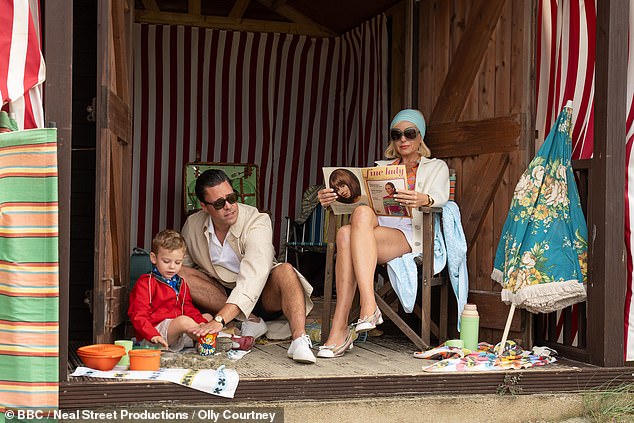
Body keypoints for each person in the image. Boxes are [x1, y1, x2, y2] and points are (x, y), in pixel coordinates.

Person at [316, 109, 449, 358]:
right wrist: (330, 199)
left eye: (410, 133)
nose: (403, 140)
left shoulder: (435, 167)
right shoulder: (381, 168)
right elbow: (359, 204)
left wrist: (423, 198)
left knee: (348, 233)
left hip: (410, 235)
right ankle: (360, 311)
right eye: (397, 134)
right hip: (374, 231)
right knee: (351, 226)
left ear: (421, 137)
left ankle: (346, 323)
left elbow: (442, 200)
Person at [179, 169, 316, 364]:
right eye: (219, 203)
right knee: (179, 272)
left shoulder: (257, 220)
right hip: (219, 293)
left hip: (262, 292)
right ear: (204, 206)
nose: (229, 206)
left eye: (232, 198)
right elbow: (182, 269)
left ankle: (299, 340)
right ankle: (251, 320)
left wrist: (219, 321)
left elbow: (253, 277)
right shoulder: (193, 224)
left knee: (286, 270)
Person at [128, 229, 213, 352]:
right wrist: (152, 335)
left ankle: (202, 336)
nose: (172, 267)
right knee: (184, 321)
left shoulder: (181, 283)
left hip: (176, 332)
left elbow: (188, 308)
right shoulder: (146, 283)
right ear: (153, 258)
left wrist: (201, 322)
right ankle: (205, 340)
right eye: (166, 261)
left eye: (177, 262)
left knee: (208, 317)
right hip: (154, 335)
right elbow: (138, 315)